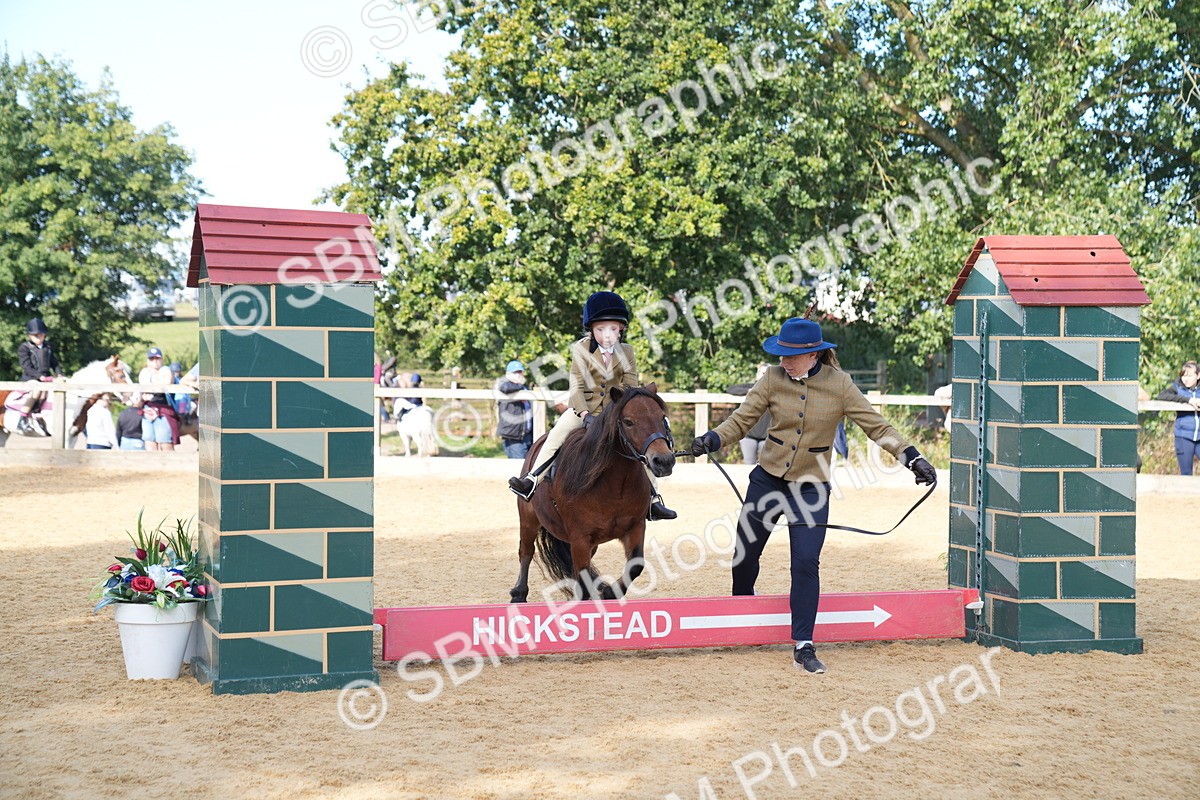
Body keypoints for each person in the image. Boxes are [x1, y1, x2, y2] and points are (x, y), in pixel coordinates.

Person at [691, 317, 936, 674]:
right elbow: (742, 420)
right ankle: (741, 608)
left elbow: (876, 426)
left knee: (805, 563)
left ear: (812, 355)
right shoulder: (773, 378)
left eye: (790, 356)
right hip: (768, 479)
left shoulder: (840, 385)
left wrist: (911, 456)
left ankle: (803, 643)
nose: (783, 362)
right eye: (781, 356)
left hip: (811, 488)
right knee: (744, 554)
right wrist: (712, 438)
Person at [508, 291, 676, 520]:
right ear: (592, 330)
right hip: (584, 409)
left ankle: (654, 500)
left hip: (616, 412)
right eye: (601, 329)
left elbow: (630, 385)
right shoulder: (581, 349)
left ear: (621, 329)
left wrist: (622, 412)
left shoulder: (627, 351)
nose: (607, 335)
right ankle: (532, 479)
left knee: (643, 442)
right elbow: (576, 385)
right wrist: (585, 414)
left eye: (613, 329)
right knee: (557, 434)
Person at [15, 317, 60, 436]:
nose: (39, 338)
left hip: (45, 378)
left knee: (49, 392)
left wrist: (59, 374)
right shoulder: (24, 348)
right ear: (30, 336)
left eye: (41, 335)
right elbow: (26, 367)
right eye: (36, 336)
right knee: (38, 390)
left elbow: (54, 363)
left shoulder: (48, 347)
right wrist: (40, 377)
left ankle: (38, 415)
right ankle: (22, 419)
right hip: (30, 378)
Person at [1157, 361, 1200, 475]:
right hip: (1183, 436)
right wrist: (1188, 400)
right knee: (1186, 473)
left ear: (1198, 375)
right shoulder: (1177, 387)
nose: (1186, 379)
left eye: (1189, 376)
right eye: (1183, 375)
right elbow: (1162, 396)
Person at [727, 363, 771, 465]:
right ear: (757, 375)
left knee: (766, 465)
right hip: (748, 435)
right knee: (749, 464)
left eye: (768, 373)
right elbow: (731, 389)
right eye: (763, 373)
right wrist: (749, 391)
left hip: (767, 436)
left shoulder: (774, 389)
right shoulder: (751, 386)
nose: (765, 375)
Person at [138, 347, 179, 451]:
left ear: (162, 359)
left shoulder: (166, 370)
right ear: (148, 361)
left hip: (164, 409)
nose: (155, 361)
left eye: (157, 358)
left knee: (165, 441)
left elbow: (166, 384)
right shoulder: (145, 372)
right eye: (151, 359)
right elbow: (143, 386)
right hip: (148, 408)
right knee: (149, 440)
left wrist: (151, 389)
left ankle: (169, 465)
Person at [496, 359, 534, 459]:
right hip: (514, 436)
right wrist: (521, 388)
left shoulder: (523, 388)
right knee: (519, 468)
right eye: (515, 372)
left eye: (520, 372)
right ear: (508, 374)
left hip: (526, 435)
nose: (518, 375)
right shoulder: (504, 384)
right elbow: (505, 388)